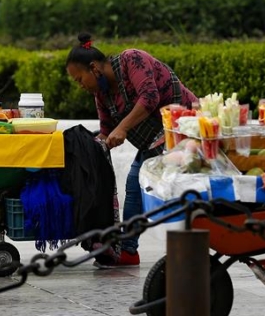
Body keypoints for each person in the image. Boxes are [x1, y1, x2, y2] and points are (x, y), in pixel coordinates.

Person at [65, 33, 198, 267]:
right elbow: (107, 131)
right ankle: (127, 250)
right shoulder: (102, 94)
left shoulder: (132, 59)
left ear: (94, 68)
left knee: (150, 183)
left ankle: (150, 250)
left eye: (79, 79)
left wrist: (123, 128)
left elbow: (149, 97)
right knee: (133, 184)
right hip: (152, 142)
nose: (80, 86)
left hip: (182, 128)